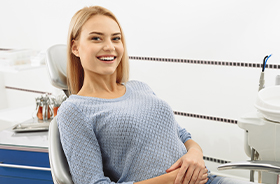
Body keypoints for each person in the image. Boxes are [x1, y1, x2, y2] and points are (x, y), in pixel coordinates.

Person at [57, 6, 256, 184]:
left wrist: (195, 153)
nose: (110, 46)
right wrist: (171, 179)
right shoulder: (74, 110)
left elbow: (182, 136)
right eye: (96, 38)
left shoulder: (140, 87)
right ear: (75, 47)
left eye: (116, 38)